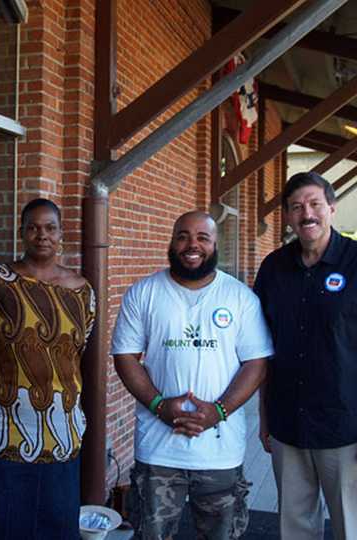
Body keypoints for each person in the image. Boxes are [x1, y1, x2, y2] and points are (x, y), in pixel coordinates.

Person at [253, 171, 357, 540]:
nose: (306, 214)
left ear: (331, 208)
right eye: (296, 207)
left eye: (314, 204)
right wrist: (265, 419)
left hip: (349, 430)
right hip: (288, 425)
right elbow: (263, 350)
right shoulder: (273, 268)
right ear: (288, 217)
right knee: (294, 530)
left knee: (351, 531)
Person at [111, 210, 273, 540]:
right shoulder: (144, 293)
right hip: (158, 451)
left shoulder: (240, 298)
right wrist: (158, 404)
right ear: (172, 242)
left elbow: (256, 363)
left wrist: (219, 411)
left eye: (202, 237)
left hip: (220, 451)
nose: (192, 244)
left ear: (215, 245)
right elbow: (125, 356)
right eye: (183, 236)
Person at [0, 198, 96, 540]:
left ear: (61, 233)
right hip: (2, 431)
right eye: (33, 228)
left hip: (62, 431)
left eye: (50, 227)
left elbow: (77, 354)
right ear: (21, 233)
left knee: (56, 528)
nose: (42, 235)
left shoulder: (82, 292)